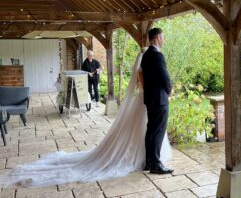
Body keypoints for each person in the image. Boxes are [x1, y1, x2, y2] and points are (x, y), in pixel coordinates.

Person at [0, 51, 172, 187]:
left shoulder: (146, 58)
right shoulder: (150, 58)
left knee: (148, 129)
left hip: (145, 98)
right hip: (149, 97)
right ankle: (148, 158)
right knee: (148, 129)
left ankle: (149, 158)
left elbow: (140, 79)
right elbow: (142, 79)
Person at [140, 28, 174, 174]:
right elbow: (164, 76)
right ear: (157, 38)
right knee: (158, 131)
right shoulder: (157, 55)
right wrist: (170, 90)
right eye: (162, 38)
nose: (163, 40)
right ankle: (155, 164)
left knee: (151, 130)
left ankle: (149, 162)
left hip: (150, 98)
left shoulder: (146, 55)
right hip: (160, 99)